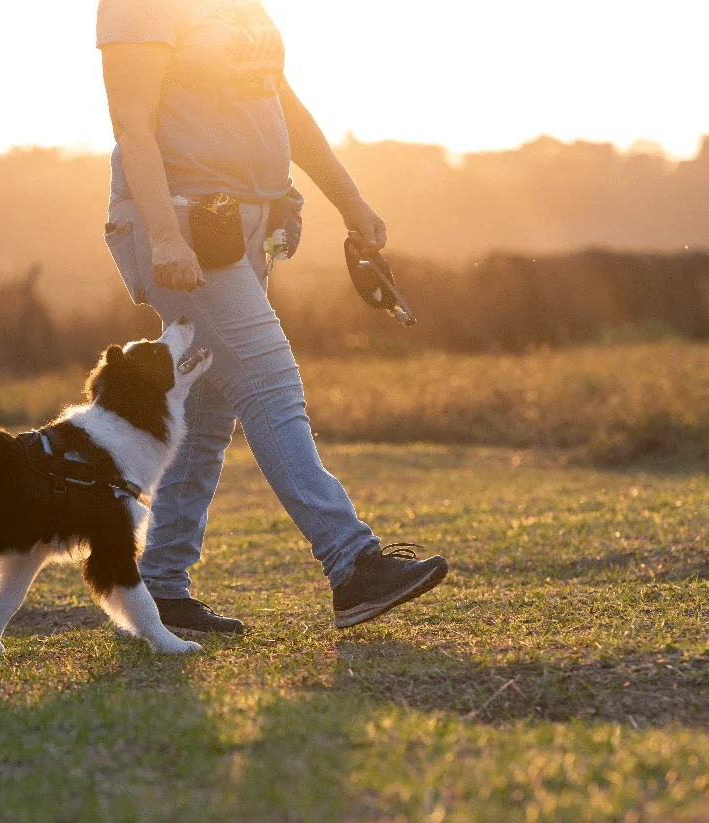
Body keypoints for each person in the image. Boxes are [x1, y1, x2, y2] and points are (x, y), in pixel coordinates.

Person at [97, 0, 447, 635]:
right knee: (269, 382)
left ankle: (159, 589)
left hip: (241, 227)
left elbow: (285, 106)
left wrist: (351, 200)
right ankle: (352, 564)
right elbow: (132, 123)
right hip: (180, 222)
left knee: (206, 415)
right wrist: (165, 237)